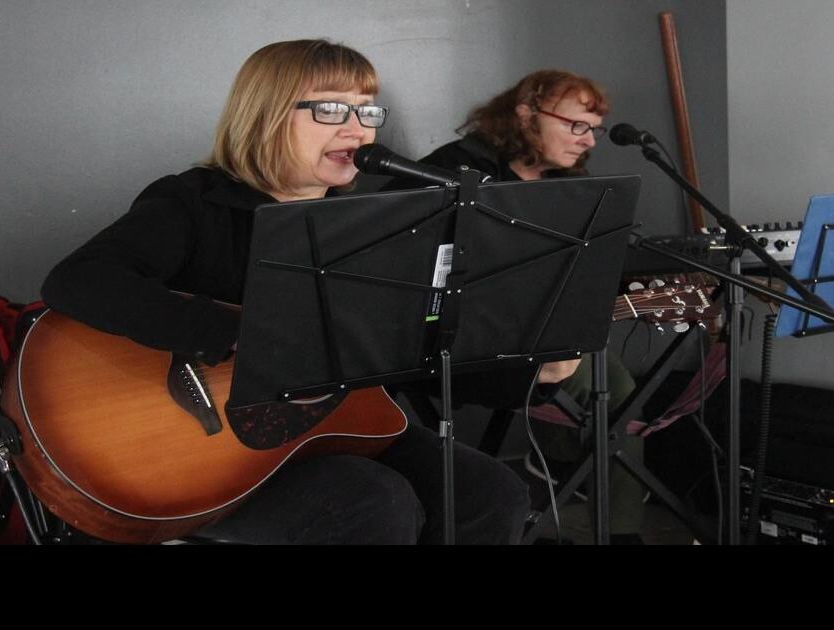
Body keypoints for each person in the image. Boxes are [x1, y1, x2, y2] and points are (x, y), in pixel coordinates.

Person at [40, 39, 581, 545]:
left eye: (366, 112)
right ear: (268, 113)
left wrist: (530, 372)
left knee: (493, 494)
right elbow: (76, 281)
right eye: (331, 109)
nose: (358, 130)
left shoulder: (375, 225)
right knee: (373, 501)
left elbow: (409, 351)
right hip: (204, 449)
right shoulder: (195, 202)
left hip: (335, 427)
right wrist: (244, 335)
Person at [386, 70, 648, 544]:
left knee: (618, 385)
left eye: (594, 129)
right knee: (595, 380)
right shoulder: (454, 169)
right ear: (526, 114)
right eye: (576, 125)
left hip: (539, 330)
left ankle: (618, 527)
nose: (588, 141)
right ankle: (556, 464)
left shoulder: (569, 186)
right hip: (449, 338)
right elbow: (400, 260)